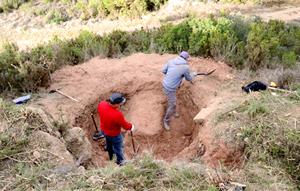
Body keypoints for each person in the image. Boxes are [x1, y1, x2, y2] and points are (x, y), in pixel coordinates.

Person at [161, 51, 195, 130]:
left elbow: (163, 71)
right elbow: (188, 78)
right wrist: (193, 74)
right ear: (186, 58)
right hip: (170, 88)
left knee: (173, 100)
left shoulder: (171, 61)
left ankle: (173, 112)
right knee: (172, 104)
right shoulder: (185, 67)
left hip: (165, 83)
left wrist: (172, 75)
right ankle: (166, 120)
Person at [98, 93, 134, 165]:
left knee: (109, 143)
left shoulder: (102, 104)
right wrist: (131, 126)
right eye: (120, 103)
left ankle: (110, 154)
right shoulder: (117, 114)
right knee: (118, 148)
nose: (121, 105)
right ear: (116, 104)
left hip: (104, 130)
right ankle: (120, 161)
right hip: (114, 134)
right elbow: (126, 126)